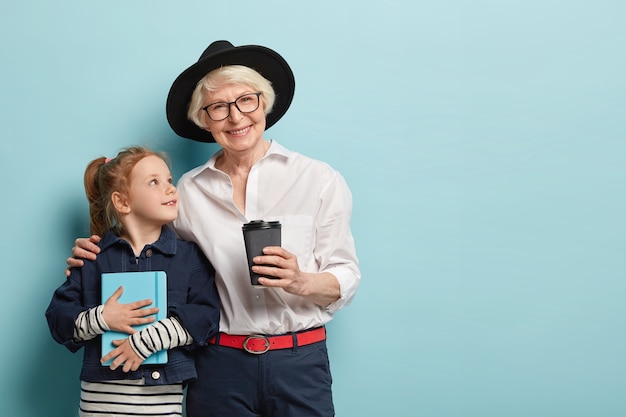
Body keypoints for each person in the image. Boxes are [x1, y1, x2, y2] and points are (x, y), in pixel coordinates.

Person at [67, 40, 360, 417]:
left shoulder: (318, 179)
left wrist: (300, 280)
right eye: (218, 107)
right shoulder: (186, 192)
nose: (236, 118)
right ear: (204, 120)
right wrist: (93, 255)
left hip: (300, 362)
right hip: (218, 365)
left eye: (246, 100)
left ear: (264, 103)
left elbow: (346, 274)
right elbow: (148, 252)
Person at [48, 146, 220, 417]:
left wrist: (147, 340)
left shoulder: (190, 257)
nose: (170, 188)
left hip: (161, 406)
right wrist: (102, 317)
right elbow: (58, 319)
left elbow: (206, 316)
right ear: (122, 202)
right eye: (154, 182)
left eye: (169, 181)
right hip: (99, 406)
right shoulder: (92, 257)